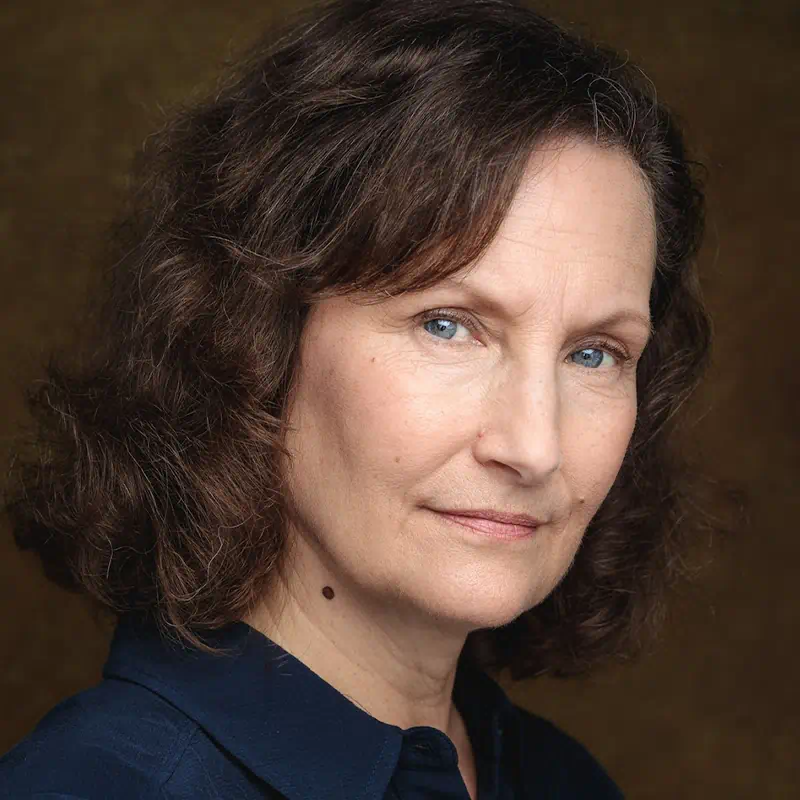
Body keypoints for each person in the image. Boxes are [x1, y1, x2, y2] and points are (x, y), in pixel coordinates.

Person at [0, 0, 724, 797]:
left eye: (595, 353)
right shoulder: (102, 784)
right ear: (256, 338)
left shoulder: (564, 781)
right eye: (448, 326)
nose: (533, 445)